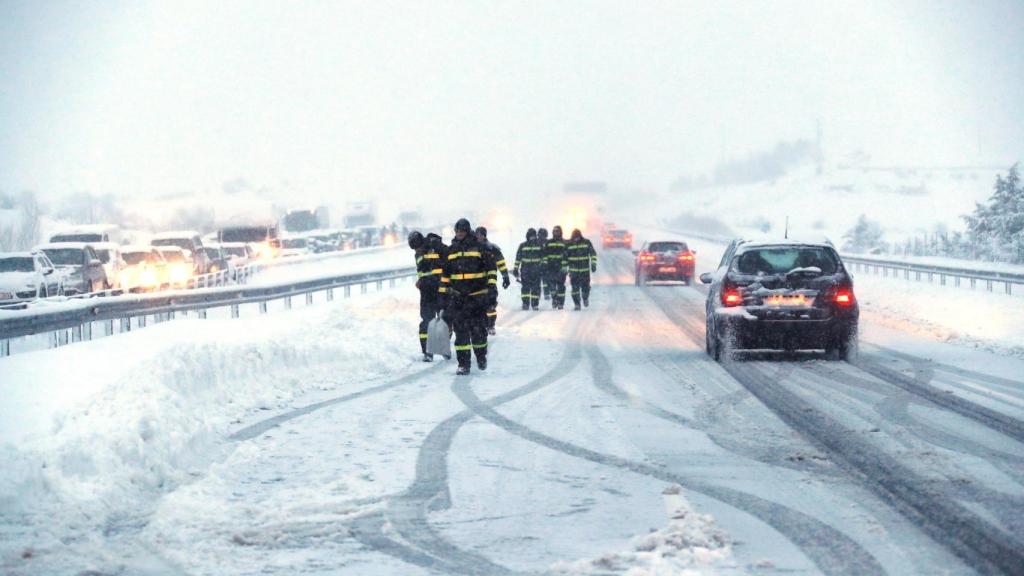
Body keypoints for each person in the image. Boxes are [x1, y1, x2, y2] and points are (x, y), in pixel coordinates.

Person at [440, 218, 496, 375]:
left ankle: (481, 356)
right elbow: (445, 276)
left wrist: (491, 290)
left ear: (467, 231)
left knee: (478, 332)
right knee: (461, 333)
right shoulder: (451, 251)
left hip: (477, 298)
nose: (459, 234)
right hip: (458, 299)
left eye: (462, 231)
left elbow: (491, 271)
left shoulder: (480, 248)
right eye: (457, 231)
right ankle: (463, 364)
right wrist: (443, 297)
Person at [409, 231, 447, 361]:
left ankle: (444, 347)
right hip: (426, 291)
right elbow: (422, 271)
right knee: (426, 320)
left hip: (440, 289)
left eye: (417, 247)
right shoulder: (417, 254)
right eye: (414, 248)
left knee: (444, 319)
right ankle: (427, 352)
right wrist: (421, 281)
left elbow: (447, 261)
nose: (416, 250)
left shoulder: (434, 245)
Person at [475, 226, 511, 335]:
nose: (478, 237)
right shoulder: (472, 248)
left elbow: (501, 263)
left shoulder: (492, 248)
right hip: (476, 282)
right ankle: (481, 325)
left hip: (489, 281)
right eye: (477, 234)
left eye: (480, 234)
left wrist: (505, 276)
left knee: (491, 305)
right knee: (478, 306)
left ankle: (491, 326)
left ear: (484, 235)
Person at [566, 228, 597, 310]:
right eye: (575, 237)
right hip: (573, 272)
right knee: (575, 289)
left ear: (580, 236)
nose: (576, 239)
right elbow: (564, 257)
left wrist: (593, 263)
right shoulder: (569, 244)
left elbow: (593, 253)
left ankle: (585, 298)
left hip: (585, 271)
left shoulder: (587, 242)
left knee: (585, 288)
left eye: (578, 237)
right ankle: (577, 304)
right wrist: (564, 267)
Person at [513, 228, 543, 310]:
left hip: (536, 271)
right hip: (525, 271)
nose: (532, 237)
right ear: (527, 236)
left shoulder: (539, 245)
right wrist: (515, 269)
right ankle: (525, 304)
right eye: (531, 236)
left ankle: (535, 304)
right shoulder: (522, 245)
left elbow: (543, 257)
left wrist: (543, 267)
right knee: (525, 288)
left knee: (536, 288)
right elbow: (518, 258)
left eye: (533, 236)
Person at [543, 225, 569, 309]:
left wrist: (566, 266)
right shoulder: (548, 242)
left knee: (561, 287)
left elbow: (568, 255)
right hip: (550, 268)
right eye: (554, 232)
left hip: (561, 268)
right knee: (552, 286)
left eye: (557, 231)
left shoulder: (565, 243)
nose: (556, 233)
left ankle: (561, 303)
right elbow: (545, 254)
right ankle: (554, 299)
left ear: (560, 232)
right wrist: (545, 264)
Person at [536, 227, 550, 300]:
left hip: (545, 266)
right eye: (541, 235)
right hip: (538, 265)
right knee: (538, 281)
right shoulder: (536, 242)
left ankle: (546, 294)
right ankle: (539, 295)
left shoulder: (547, 243)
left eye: (543, 235)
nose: (542, 237)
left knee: (545, 281)